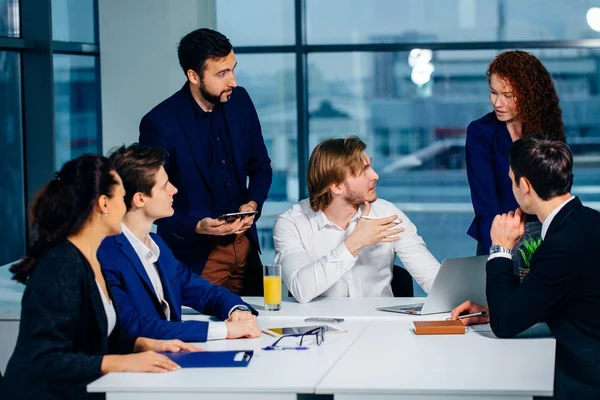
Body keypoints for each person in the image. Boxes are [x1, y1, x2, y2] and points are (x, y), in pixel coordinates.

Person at [0, 154, 199, 400]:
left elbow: (94, 338)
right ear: (104, 204)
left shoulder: (91, 258)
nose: (126, 204)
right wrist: (118, 363)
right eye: (121, 195)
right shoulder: (61, 264)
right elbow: (44, 359)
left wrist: (141, 344)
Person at [452, 137, 600, 399]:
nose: (512, 188)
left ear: (525, 185)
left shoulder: (561, 244)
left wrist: (500, 247)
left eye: (512, 180)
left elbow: (505, 324)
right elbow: (560, 291)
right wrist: (497, 307)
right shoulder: (587, 220)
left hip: (584, 379)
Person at [139, 28, 272, 296]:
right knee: (207, 335)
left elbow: (261, 167)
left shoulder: (241, 102)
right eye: (222, 74)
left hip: (245, 248)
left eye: (233, 69)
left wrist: (252, 204)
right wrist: (196, 225)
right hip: (196, 258)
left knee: (259, 326)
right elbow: (150, 196)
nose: (232, 81)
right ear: (193, 76)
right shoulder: (160, 123)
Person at [98, 144, 262, 343]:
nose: (174, 190)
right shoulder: (107, 254)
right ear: (140, 199)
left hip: (172, 362)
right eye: (164, 185)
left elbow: (206, 292)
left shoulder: (157, 245)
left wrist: (239, 310)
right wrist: (224, 330)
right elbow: (131, 325)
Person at [274, 137, 440, 304]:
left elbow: (430, 275)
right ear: (337, 186)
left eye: (371, 166)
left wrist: (458, 300)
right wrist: (354, 242)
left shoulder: (387, 213)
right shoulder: (292, 223)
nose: (375, 175)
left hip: (381, 324)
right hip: (318, 326)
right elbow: (301, 289)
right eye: (364, 170)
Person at [466, 50, 565, 272]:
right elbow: (484, 201)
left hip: (545, 231)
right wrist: (499, 247)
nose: (497, 103)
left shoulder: (546, 128)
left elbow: (558, 187)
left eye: (508, 95)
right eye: (493, 92)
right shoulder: (481, 132)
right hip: (500, 233)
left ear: (528, 94)